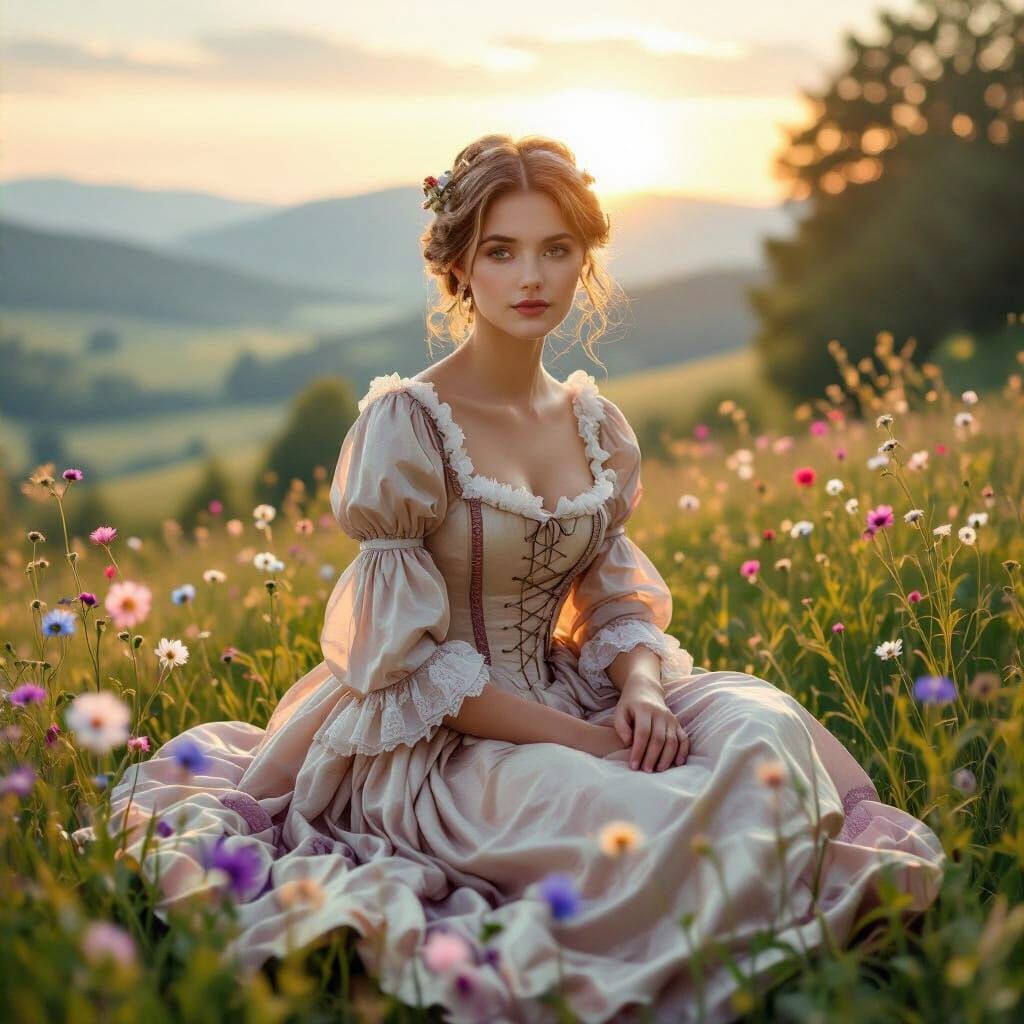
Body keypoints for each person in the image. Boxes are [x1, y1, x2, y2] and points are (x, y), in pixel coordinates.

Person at [79, 134, 944, 1023]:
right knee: (630, 813)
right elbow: (411, 670)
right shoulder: (406, 426)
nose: (532, 276)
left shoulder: (595, 426)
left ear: (583, 261)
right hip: (440, 739)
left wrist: (640, 691)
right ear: (460, 267)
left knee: (757, 727)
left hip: (575, 692)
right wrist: (589, 745)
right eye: (502, 251)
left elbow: (611, 597)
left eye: (556, 249)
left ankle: (753, 911)